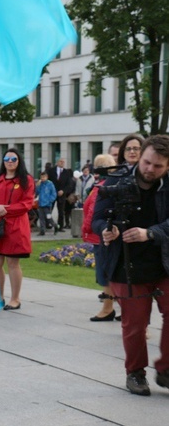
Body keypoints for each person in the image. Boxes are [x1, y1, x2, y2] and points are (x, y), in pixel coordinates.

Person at [93, 135, 169, 396]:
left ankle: (166, 368)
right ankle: (135, 373)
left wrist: (150, 233)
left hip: (164, 262)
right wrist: (107, 230)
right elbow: (97, 218)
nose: (150, 169)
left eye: (158, 166)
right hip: (126, 263)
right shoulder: (115, 181)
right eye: (147, 163)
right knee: (135, 324)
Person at [0, 148, 34, 310]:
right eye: (7, 159)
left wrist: (6, 210)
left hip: (15, 226)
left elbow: (27, 203)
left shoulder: (26, 180)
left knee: (12, 262)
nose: (10, 162)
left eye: (13, 159)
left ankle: (15, 298)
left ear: (19, 161)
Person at [82, 153, 117, 322]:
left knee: (106, 273)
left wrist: (87, 230)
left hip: (99, 235)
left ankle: (107, 308)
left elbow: (92, 214)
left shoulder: (101, 187)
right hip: (100, 234)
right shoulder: (104, 185)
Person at [46, 158, 74, 231]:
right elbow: (48, 182)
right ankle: (47, 224)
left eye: (63, 162)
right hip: (52, 194)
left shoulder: (66, 172)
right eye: (61, 161)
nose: (62, 163)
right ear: (57, 162)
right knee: (49, 209)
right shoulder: (51, 171)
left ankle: (60, 226)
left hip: (61, 195)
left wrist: (63, 191)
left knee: (61, 211)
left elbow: (69, 184)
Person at [35, 171, 56, 236]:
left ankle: (55, 226)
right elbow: (37, 192)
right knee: (41, 218)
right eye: (41, 177)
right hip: (41, 203)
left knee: (48, 217)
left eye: (44, 177)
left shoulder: (50, 184)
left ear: (47, 177)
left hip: (47, 204)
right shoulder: (40, 184)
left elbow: (53, 193)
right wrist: (37, 186)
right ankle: (42, 230)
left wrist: (50, 200)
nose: (42, 178)